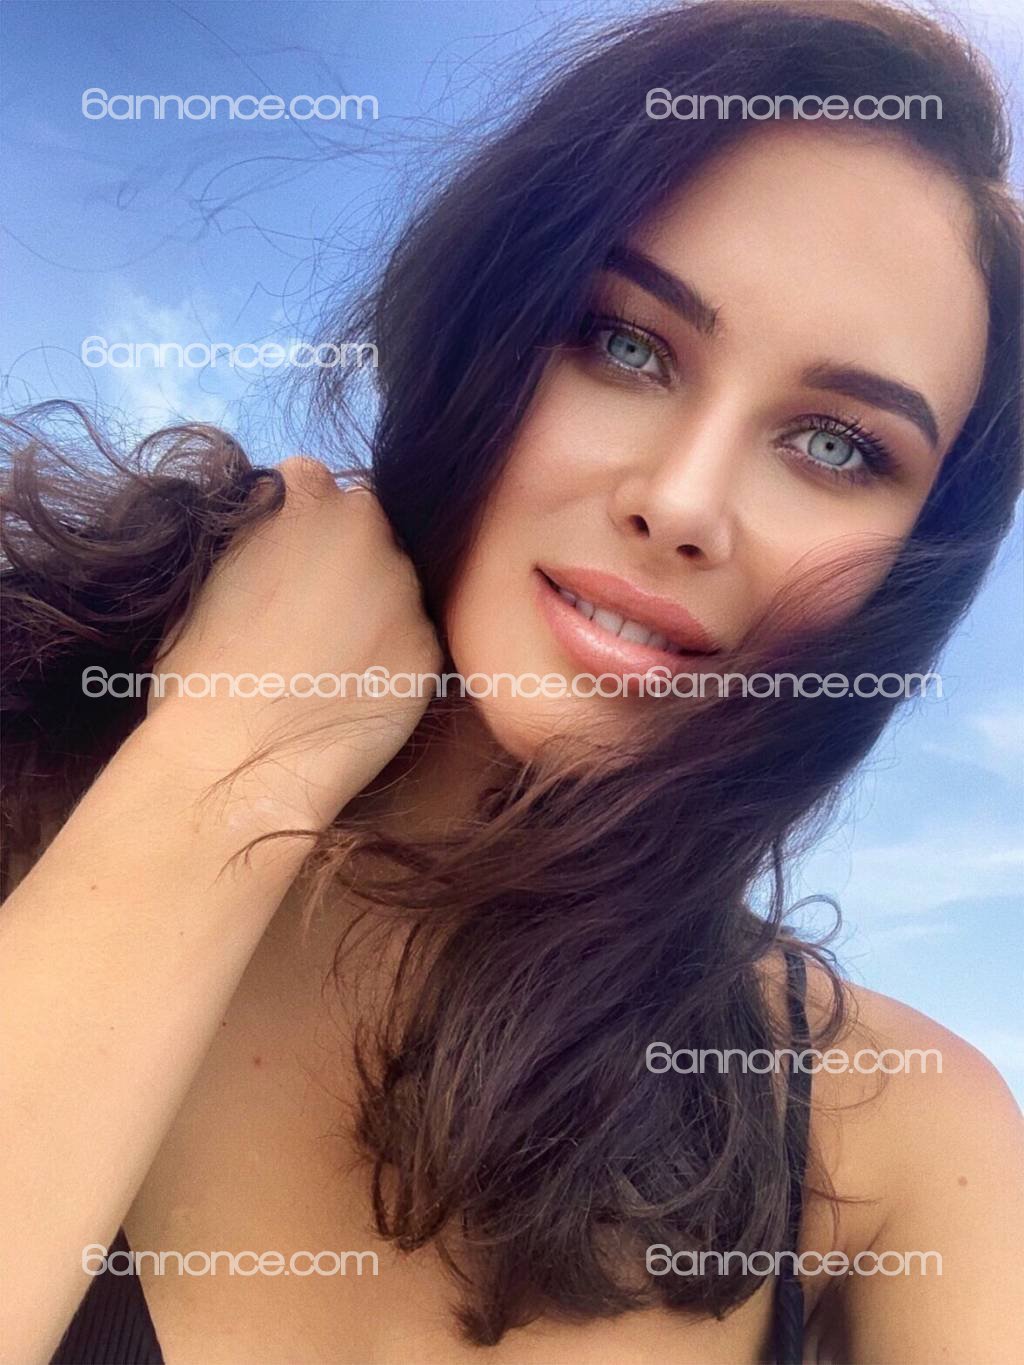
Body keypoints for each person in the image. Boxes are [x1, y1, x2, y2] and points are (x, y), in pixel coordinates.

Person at [2, 1, 1023, 1361]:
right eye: (626, 343)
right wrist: (218, 776)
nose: (682, 502)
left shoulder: (898, 1136)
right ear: (480, 320)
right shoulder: (32, 757)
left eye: (836, 445)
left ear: (912, 560)